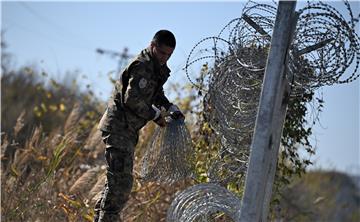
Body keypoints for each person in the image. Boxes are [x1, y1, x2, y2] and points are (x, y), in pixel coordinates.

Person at [94, 30, 184, 222]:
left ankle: (102, 218)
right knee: (121, 183)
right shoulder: (142, 66)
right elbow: (131, 99)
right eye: (161, 53)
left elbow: (155, 94)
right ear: (153, 46)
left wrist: (170, 107)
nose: (164, 58)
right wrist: (156, 115)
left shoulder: (155, 67)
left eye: (169, 55)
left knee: (116, 182)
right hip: (118, 128)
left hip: (126, 130)